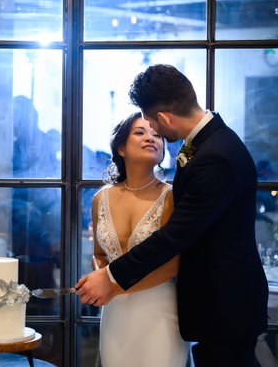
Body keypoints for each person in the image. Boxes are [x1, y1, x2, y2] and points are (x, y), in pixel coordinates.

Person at [76, 64, 269, 367]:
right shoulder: (208, 144)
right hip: (213, 306)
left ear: (163, 117)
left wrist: (111, 278)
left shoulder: (215, 156)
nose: (153, 131)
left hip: (226, 304)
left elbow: (174, 237)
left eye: (152, 122)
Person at [92, 111, 189, 367]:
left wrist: (113, 285)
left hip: (159, 309)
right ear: (121, 148)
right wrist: (100, 275)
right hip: (115, 313)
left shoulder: (171, 196)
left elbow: (174, 263)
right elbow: (100, 254)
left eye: (157, 135)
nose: (151, 138)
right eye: (140, 132)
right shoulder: (100, 199)